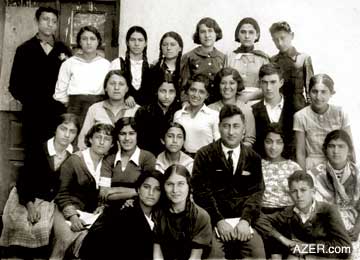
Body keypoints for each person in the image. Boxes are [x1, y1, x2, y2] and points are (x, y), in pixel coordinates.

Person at [191, 104, 266, 259]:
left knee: (257, 253)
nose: (231, 132)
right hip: (213, 221)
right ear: (219, 127)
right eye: (226, 126)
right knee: (214, 255)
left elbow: (256, 193)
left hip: (243, 221)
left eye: (236, 126)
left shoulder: (253, 158)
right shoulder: (204, 155)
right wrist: (219, 221)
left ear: (244, 129)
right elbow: (201, 193)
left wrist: (246, 221)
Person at [0, 114, 79, 256]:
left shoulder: (75, 156)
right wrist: (29, 206)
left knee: (41, 229)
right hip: (28, 196)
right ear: (55, 130)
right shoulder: (39, 150)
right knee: (20, 223)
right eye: (63, 129)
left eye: (72, 131)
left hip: (52, 201)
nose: (67, 135)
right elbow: (24, 180)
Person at [8, 6, 72, 151]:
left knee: (57, 154)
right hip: (33, 114)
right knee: (34, 155)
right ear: (37, 21)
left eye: (54, 21)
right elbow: (14, 85)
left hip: (58, 114)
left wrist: (63, 103)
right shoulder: (24, 49)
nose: (50, 24)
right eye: (46, 19)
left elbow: (72, 80)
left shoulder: (64, 50)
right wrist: (32, 102)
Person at [50, 123, 114, 259]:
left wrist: (102, 207)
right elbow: (61, 193)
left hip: (91, 215)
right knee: (65, 238)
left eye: (107, 139)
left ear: (112, 144)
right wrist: (72, 217)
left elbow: (105, 193)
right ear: (90, 139)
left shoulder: (109, 165)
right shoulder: (74, 160)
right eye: (98, 137)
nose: (102, 142)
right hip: (66, 211)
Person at [255, 170, 352, 259]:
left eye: (303, 190)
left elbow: (346, 248)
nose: (299, 196)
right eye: (294, 191)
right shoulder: (288, 213)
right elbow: (258, 219)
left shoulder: (328, 210)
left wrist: (308, 248)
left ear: (313, 192)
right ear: (290, 194)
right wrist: (284, 240)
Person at [80, 170, 164, 260]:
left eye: (157, 189)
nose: (151, 193)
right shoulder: (120, 215)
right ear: (138, 189)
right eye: (146, 187)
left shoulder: (160, 216)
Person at [311, 130, 360, 259]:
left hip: (353, 225)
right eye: (331, 146)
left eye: (341, 146)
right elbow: (315, 209)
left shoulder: (357, 173)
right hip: (326, 226)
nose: (336, 151)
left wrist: (357, 227)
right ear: (325, 149)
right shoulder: (315, 175)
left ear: (349, 150)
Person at [294, 74, 353, 170]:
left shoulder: (340, 113)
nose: (318, 96)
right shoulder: (300, 116)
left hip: (338, 163)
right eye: (314, 91)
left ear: (331, 93)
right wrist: (303, 175)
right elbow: (300, 152)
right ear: (308, 93)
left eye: (323, 92)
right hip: (313, 165)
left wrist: (352, 169)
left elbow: (350, 146)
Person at [53, 25, 110, 125]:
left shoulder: (106, 64)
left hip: (99, 107)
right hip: (75, 108)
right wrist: (71, 105)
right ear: (79, 42)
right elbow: (60, 91)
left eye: (92, 39)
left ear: (98, 41)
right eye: (84, 39)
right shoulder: (69, 63)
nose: (88, 42)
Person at [260, 123, 302, 258]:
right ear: (263, 142)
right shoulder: (257, 164)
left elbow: (301, 196)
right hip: (264, 216)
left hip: (287, 215)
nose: (273, 147)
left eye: (279, 142)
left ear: (284, 144)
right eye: (269, 142)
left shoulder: (293, 167)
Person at [153, 164, 212, 260]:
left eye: (181, 184)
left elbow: (195, 257)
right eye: (169, 184)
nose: (175, 190)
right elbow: (157, 255)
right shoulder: (158, 213)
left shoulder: (200, 216)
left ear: (189, 186)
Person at [99, 117, 156, 207]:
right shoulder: (109, 159)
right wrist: (135, 191)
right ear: (117, 136)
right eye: (122, 134)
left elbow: (148, 192)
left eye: (131, 133)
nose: (127, 138)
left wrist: (114, 189)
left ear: (138, 135)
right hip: (110, 209)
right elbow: (104, 194)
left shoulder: (148, 158)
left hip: (137, 207)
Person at [78, 70, 139, 150]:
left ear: (127, 88)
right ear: (106, 88)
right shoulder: (95, 109)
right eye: (112, 84)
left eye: (121, 84)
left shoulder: (136, 110)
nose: (116, 88)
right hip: (99, 157)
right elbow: (83, 138)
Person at [252, 63, 296, 159]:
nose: (268, 88)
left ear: (281, 82)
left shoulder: (294, 109)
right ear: (259, 83)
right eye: (264, 82)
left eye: (273, 82)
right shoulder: (253, 110)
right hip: (261, 164)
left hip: (289, 163)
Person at [270, 21, 314, 112]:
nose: (280, 43)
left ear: (292, 36)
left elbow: (310, 89)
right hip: (278, 109)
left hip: (299, 108)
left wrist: (310, 111)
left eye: (283, 38)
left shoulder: (303, 58)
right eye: (276, 40)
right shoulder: (272, 61)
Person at [135, 71, 181, 156]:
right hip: (148, 157)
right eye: (163, 91)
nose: (167, 96)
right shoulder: (144, 112)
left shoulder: (178, 112)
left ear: (176, 94)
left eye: (171, 92)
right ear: (156, 91)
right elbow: (139, 142)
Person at [181, 17, 225, 104]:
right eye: (203, 32)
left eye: (210, 31)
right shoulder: (189, 57)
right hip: (194, 103)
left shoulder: (222, 57)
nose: (207, 35)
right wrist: (185, 102)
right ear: (198, 35)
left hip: (217, 103)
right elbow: (183, 85)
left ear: (216, 33)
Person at [174, 74, 220, 157]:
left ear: (207, 95)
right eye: (193, 90)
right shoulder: (178, 114)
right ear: (187, 91)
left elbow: (219, 143)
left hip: (205, 160)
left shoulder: (214, 115)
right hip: (183, 159)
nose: (196, 95)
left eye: (201, 92)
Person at [226, 17, 269, 104]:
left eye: (251, 32)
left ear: (257, 35)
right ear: (238, 34)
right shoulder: (229, 56)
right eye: (243, 32)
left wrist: (248, 97)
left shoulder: (263, 58)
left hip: (257, 101)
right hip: (233, 100)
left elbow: (267, 85)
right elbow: (224, 82)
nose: (247, 36)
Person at [209, 67, 256, 146]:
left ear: (238, 85)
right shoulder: (210, 109)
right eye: (223, 83)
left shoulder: (246, 110)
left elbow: (250, 139)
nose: (227, 87)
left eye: (232, 83)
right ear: (218, 85)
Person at [110, 26, 152, 106]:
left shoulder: (151, 67)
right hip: (121, 109)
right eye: (133, 40)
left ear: (145, 43)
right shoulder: (117, 63)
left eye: (140, 40)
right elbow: (110, 87)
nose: (136, 44)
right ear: (127, 42)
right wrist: (125, 96)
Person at [150, 31, 183, 97]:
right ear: (161, 48)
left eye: (172, 45)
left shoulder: (185, 68)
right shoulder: (153, 69)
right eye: (165, 45)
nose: (168, 48)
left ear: (180, 48)